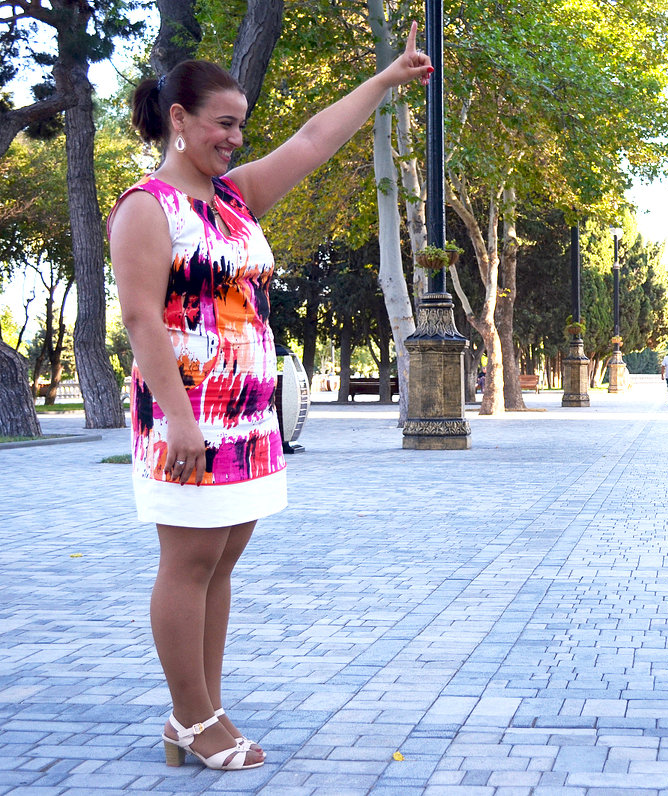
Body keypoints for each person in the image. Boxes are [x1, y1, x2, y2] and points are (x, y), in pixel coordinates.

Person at [107, 26, 433, 771]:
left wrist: (383, 82)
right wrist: (182, 421)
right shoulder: (146, 209)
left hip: (248, 418)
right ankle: (193, 719)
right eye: (223, 123)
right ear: (179, 119)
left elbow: (316, 138)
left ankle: (202, 713)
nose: (234, 138)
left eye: (241, 126)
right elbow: (140, 320)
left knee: (220, 565)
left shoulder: (235, 198)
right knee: (187, 564)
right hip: (185, 418)